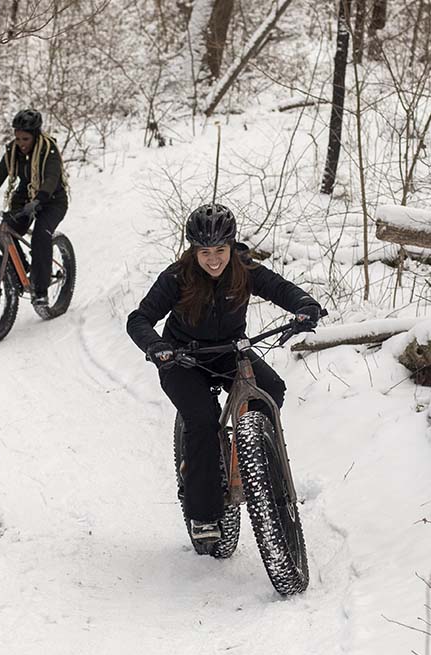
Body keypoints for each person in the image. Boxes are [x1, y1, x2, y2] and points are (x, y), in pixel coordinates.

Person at [126, 203, 323, 543]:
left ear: (231, 247)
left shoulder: (244, 270)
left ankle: (254, 458)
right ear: (194, 251)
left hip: (231, 352)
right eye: (205, 252)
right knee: (202, 422)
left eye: (220, 250)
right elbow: (138, 319)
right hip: (182, 359)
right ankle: (203, 511)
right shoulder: (177, 278)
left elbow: (281, 289)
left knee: (272, 389)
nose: (214, 259)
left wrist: (305, 306)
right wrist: (157, 348)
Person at [0, 109, 69, 306]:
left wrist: (39, 201)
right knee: (3, 235)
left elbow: (52, 178)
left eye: (25, 139)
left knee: (40, 237)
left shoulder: (48, 150)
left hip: (52, 200)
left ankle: (41, 289)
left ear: (35, 136)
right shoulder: (13, 151)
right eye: (18, 138)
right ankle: (22, 271)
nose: (21, 143)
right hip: (24, 198)